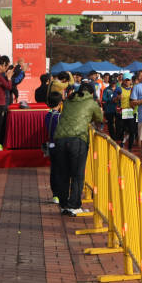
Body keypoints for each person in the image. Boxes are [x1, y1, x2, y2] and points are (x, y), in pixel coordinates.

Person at [51, 82, 103, 216]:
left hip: (60, 139)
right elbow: (100, 118)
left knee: (63, 173)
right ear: (91, 93)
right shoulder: (91, 102)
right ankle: (74, 205)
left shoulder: (68, 100)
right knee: (77, 174)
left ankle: (63, 205)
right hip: (78, 139)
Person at [45, 90, 63, 204]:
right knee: (61, 170)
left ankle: (55, 195)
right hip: (59, 146)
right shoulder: (60, 117)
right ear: (60, 103)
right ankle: (60, 193)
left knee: (54, 170)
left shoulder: (47, 115)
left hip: (51, 145)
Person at [0, 56, 14, 149]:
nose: (7, 68)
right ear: (1, 65)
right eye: (6, 66)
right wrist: (9, 78)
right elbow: (8, 87)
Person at [116, 72, 137, 150]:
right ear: (123, 81)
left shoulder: (134, 88)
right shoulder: (119, 89)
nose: (127, 82)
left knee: (132, 131)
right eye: (126, 80)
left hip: (132, 111)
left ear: (131, 81)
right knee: (122, 129)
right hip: (123, 111)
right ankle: (121, 142)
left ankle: (130, 148)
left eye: (128, 80)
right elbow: (113, 100)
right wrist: (117, 98)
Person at [101, 75, 120, 139]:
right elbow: (104, 99)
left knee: (118, 123)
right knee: (110, 123)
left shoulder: (119, 89)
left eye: (114, 82)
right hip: (109, 109)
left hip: (118, 109)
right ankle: (112, 136)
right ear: (109, 82)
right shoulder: (106, 90)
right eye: (112, 82)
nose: (113, 84)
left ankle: (118, 136)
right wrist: (111, 100)